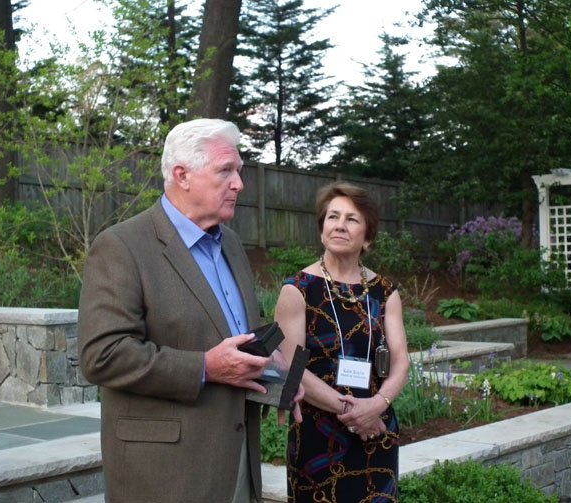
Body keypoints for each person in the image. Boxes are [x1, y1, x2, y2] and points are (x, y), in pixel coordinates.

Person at [78, 118, 297, 503]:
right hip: (166, 472)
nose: (239, 184)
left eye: (239, 171)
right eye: (225, 171)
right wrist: (205, 367)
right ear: (182, 175)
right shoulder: (121, 246)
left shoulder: (229, 242)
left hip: (236, 462)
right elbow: (102, 356)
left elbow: (227, 329)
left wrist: (278, 374)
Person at [274, 181, 410, 502]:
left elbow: (401, 360)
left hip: (376, 431)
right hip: (318, 434)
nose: (340, 225)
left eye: (352, 219)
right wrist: (351, 412)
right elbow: (290, 365)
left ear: (368, 237)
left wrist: (377, 406)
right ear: (322, 228)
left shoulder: (385, 291)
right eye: (333, 217)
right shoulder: (298, 289)